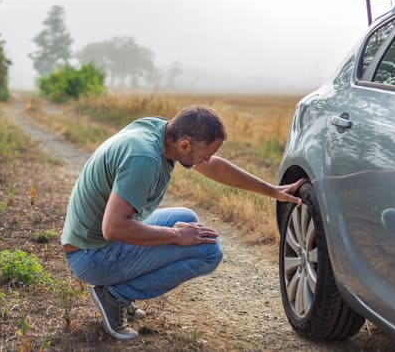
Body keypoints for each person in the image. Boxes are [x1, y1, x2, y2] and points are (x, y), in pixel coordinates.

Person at [60, 105, 305, 340]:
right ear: (185, 145)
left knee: (187, 218)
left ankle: (119, 288)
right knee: (208, 252)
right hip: (91, 256)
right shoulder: (143, 158)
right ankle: (114, 295)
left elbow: (214, 168)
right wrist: (175, 236)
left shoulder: (160, 131)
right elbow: (113, 227)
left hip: (92, 242)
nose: (209, 159)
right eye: (206, 153)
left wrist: (271, 190)